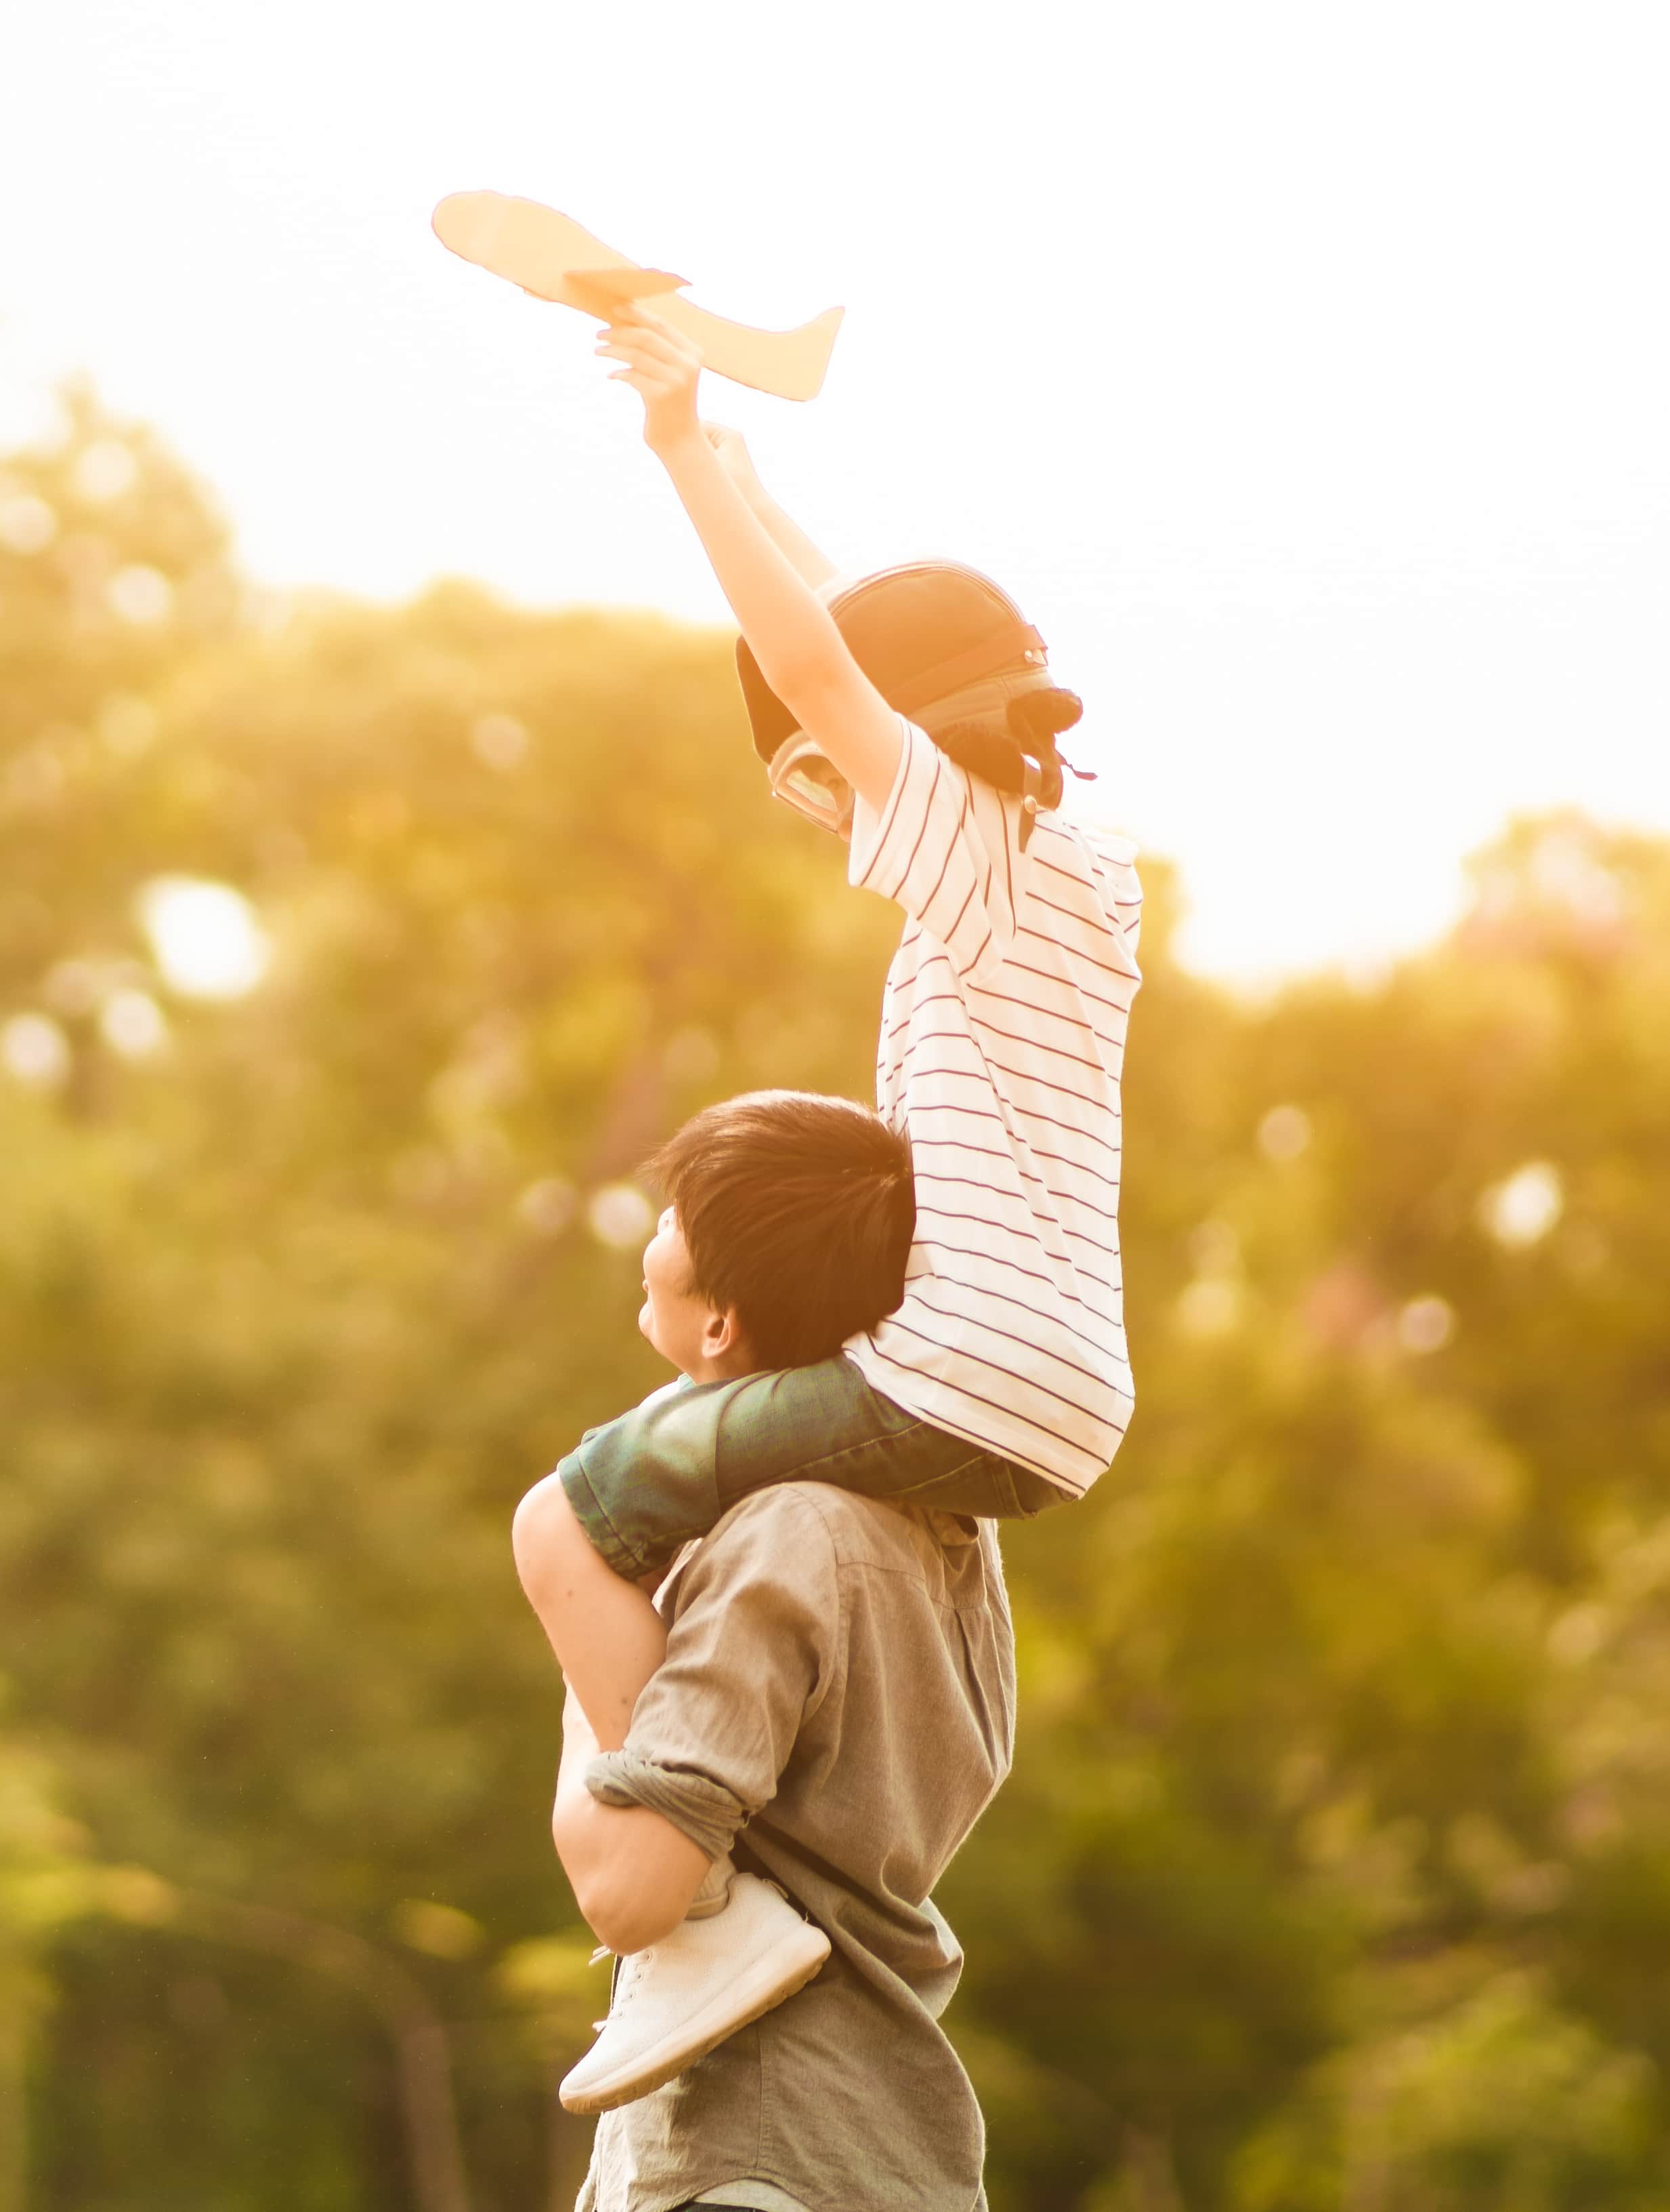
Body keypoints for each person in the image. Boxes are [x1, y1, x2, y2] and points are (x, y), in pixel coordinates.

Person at [504, 299, 1144, 2128]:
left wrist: (684, 457)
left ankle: (685, 1894)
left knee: (568, 1518)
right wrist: (754, 464)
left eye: (815, 776)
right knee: (666, 1505)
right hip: (1058, 1390)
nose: (821, 805)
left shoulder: (947, 842)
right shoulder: (1075, 865)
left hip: (951, 1369)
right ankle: (711, 1838)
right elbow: (862, 623)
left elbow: (822, 661)